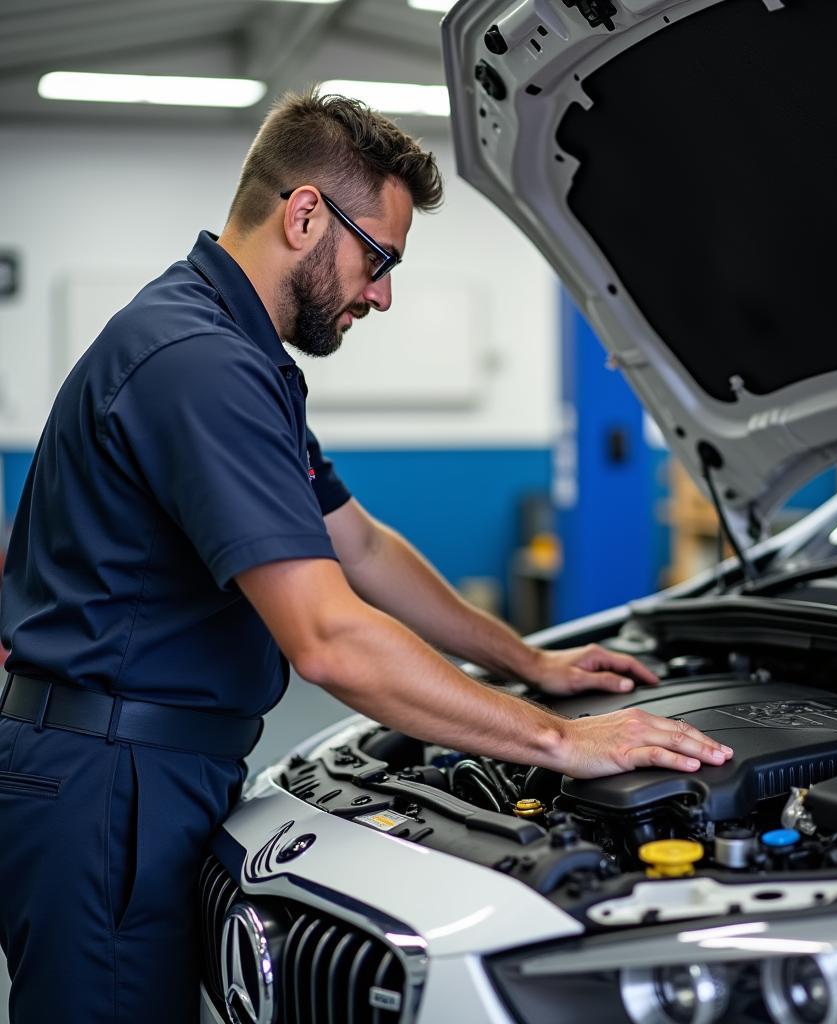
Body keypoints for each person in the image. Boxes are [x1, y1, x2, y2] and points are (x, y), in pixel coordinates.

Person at [0, 88, 733, 1023]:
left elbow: (361, 546)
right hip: (107, 783)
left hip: (140, 766)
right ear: (304, 213)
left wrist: (529, 660)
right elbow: (329, 641)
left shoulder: (239, 355)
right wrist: (555, 739)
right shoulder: (198, 361)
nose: (382, 291)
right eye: (378, 257)